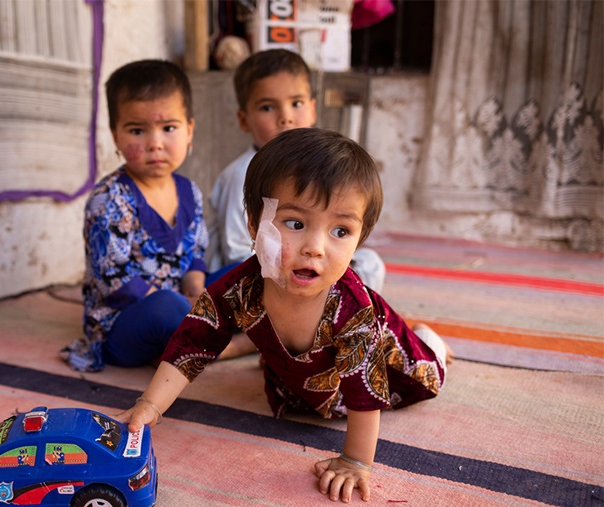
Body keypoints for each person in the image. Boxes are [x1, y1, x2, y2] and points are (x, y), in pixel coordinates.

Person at [117, 128, 452, 504]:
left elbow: (366, 389)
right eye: (295, 223)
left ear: (359, 240)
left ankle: (429, 339)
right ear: (254, 223)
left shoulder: (352, 310)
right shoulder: (240, 288)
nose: (315, 248)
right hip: (305, 380)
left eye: (341, 231)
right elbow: (193, 341)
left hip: (386, 365)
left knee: (429, 374)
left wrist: (356, 461)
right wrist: (151, 405)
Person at [60, 59, 208, 372]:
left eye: (169, 128)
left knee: (246, 275)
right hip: (123, 324)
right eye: (137, 131)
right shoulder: (110, 199)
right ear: (115, 136)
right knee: (168, 308)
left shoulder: (189, 191)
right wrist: (187, 309)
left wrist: (196, 289)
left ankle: (190, 335)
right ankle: (212, 342)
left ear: (189, 130)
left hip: (180, 302)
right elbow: (116, 282)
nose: (155, 144)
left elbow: (196, 251)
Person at [207, 48, 386, 294]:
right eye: (268, 107)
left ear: (312, 109)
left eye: (297, 103)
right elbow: (236, 253)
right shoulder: (241, 173)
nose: (286, 117)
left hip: (302, 262)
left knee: (369, 264)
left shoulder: (318, 166)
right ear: (243, 119)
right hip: (251, 274)